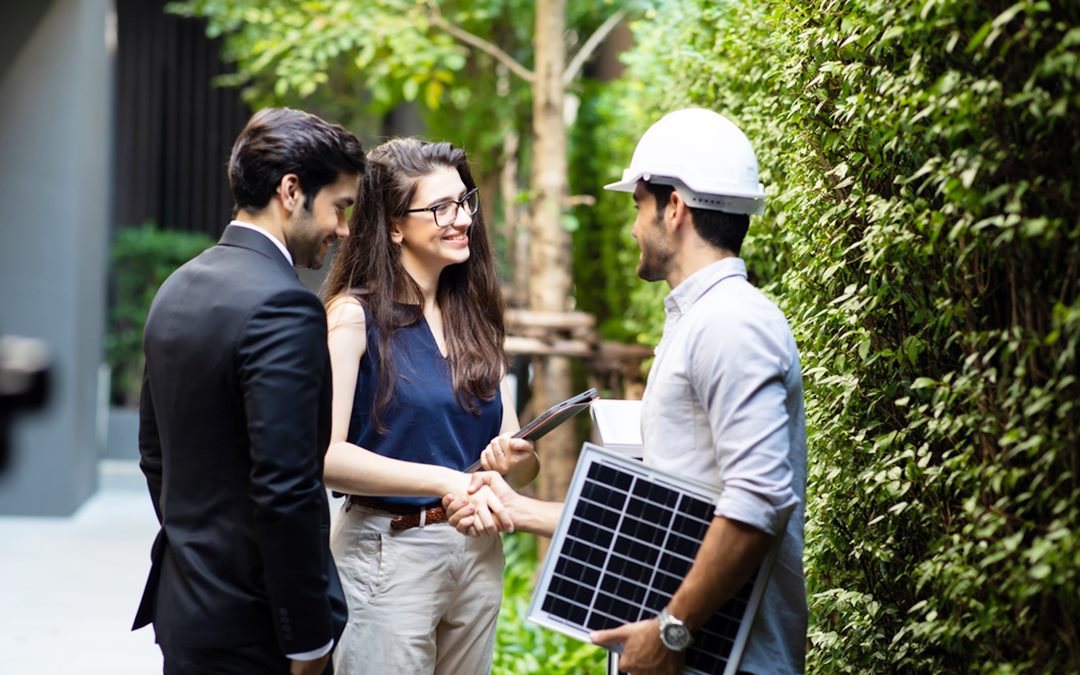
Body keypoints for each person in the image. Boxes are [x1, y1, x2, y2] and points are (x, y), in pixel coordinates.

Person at [445, 108, 808, 675]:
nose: (633, 226)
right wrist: (519, 509)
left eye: (638, 205)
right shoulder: (700, 321)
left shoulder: (732, 326)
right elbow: (664, 515)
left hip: (722, 659)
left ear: (676, 208)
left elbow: (757, 502)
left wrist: (672, 630)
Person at [133, 107, 366, 675]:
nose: (342, 230)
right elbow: (286, 489)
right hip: (256, 629)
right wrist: (307, 639)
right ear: (291, 191)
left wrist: (201, 554)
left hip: (186, 610)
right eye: (339, 206)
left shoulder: (177, 287)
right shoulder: (284, 306)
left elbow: (153, 454)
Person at [320, 137, 539, 674]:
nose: (461, 218)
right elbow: (324, 457)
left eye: (465, 202)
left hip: (477, 551)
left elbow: (519, 458)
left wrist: (512, 460)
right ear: (394, 226)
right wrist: (447, 480)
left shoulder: (477, 318)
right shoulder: (352, 317)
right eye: (440, 208)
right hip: (387, 552)